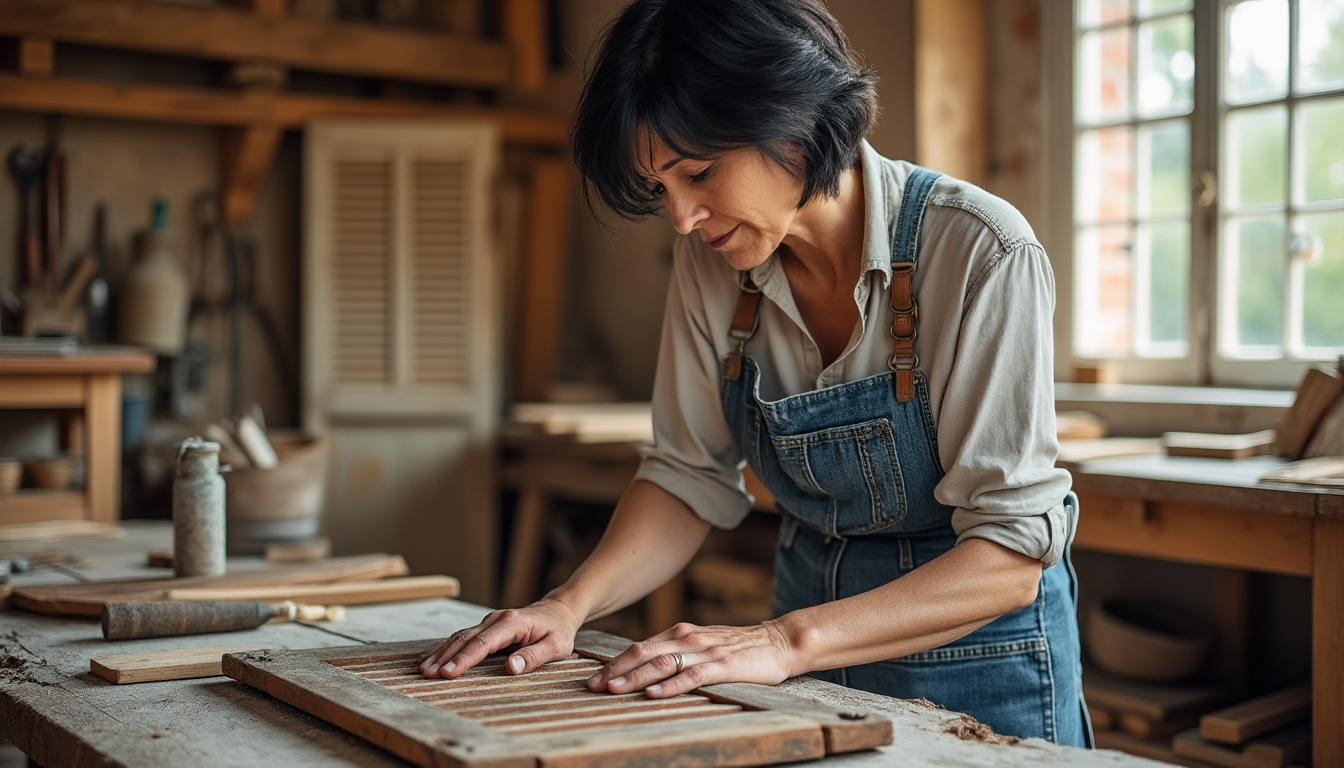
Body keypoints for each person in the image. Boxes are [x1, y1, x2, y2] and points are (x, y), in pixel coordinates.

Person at [419, 0, 1089, 746]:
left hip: (980, 663)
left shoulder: (980, 251)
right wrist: (566, 607)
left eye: (699, 172)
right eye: (661, 188)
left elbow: (1008, 558)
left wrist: (782, 642)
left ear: (793, 116)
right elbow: (686, 475)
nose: (682, 218)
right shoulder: (711, 263)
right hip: (803, 658)